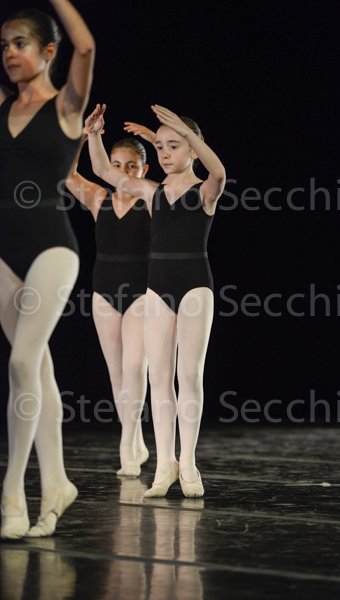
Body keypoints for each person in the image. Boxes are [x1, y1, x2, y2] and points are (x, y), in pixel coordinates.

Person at [85, 102, 226, 498]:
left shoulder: (205, 191)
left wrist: (189, 133)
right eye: (159, 147)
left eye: (172, 146)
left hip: (195, 287)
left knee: (189, 377)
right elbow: (103, 171)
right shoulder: (151, 192)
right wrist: (93, 135)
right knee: (158, 378)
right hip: (157, 289)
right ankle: (165, 464)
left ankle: (189, 462)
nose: (163, 153)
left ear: (192, 149)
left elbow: (219, 172)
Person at [0, 1, 95, 538]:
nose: (9, 53)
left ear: (48, 50)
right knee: (37, 369)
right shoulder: (1, 107)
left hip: (51, 248)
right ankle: (57, 483)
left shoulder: (66, 106)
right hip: (3, 252)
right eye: (4, 46)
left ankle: (13, 492)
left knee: (21, 362)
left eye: (20, 43)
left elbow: (87, 46)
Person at [65, 134, 152, 476]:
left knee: (135, 366)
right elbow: (68, 174)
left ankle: (127, 444)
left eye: (131, 166)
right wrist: (85, 138)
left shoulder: (152, 199)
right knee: (117, 372)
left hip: (141, 293)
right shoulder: (99, 198)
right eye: (116, 165)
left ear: (144, 169)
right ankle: (134, 437)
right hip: (104, 292)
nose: (123, 172)